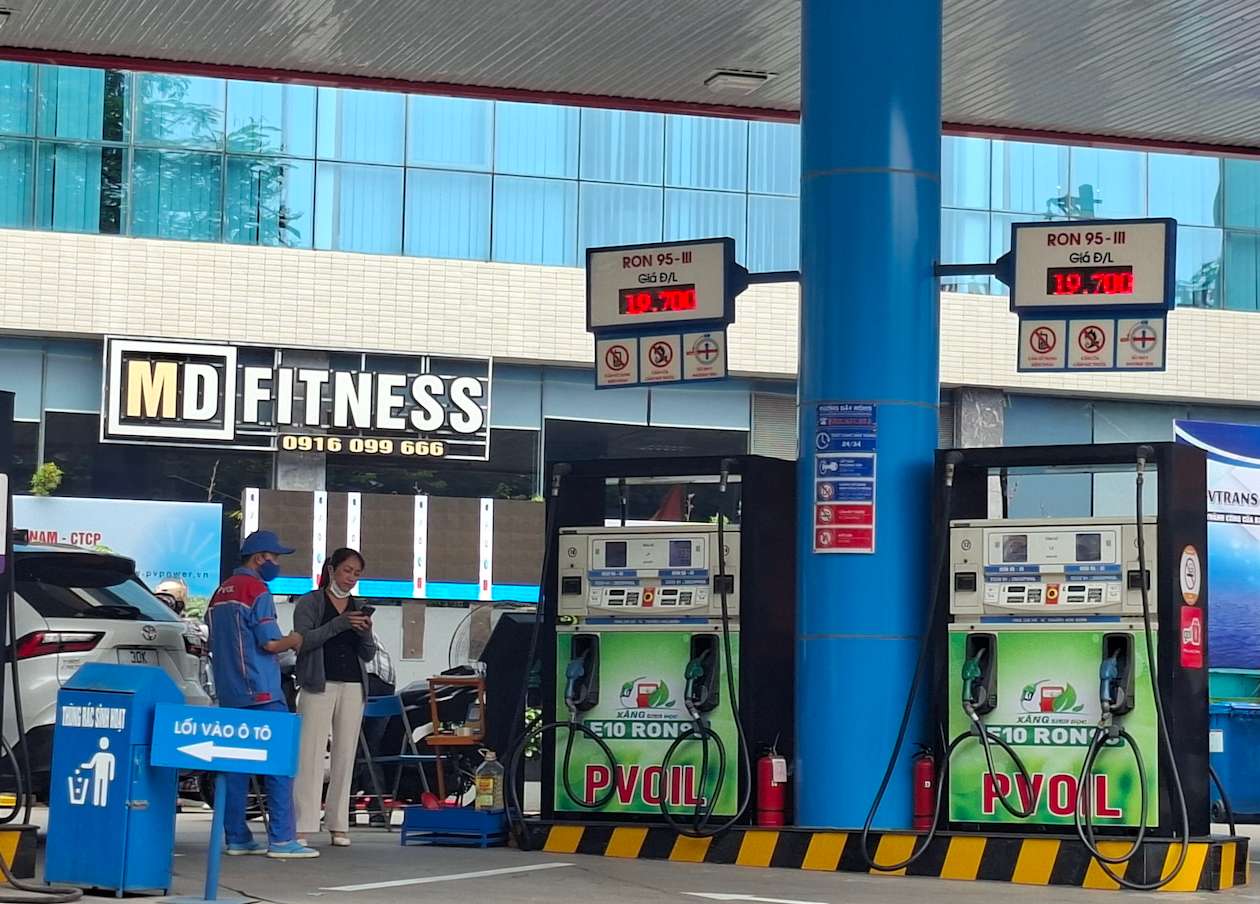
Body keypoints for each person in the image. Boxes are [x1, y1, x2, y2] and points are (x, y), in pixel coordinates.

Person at [206, 530, 317, 859]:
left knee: (234, 768)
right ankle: (283, 839)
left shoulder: (219, 592)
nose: (277, 564)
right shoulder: (257, 588)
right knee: (280, 766)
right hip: (262, 691)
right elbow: (269, 643)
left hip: (229, 691)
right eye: (275, 557)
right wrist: (296, 639)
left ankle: (237, 838)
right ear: (260, 558)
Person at [292, 548, 375, 847]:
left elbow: (368, 654)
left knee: (345, 753)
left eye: (356, 573)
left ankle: (339, 822)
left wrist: (365, 632)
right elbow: (304, 641)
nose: (351, 578)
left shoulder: (359, 606)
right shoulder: (310, 602)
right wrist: (340, 624)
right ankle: (303, 823)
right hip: (318, 681)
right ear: (331, 569)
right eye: (347, 571)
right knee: (310, 752)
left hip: (353, 683)